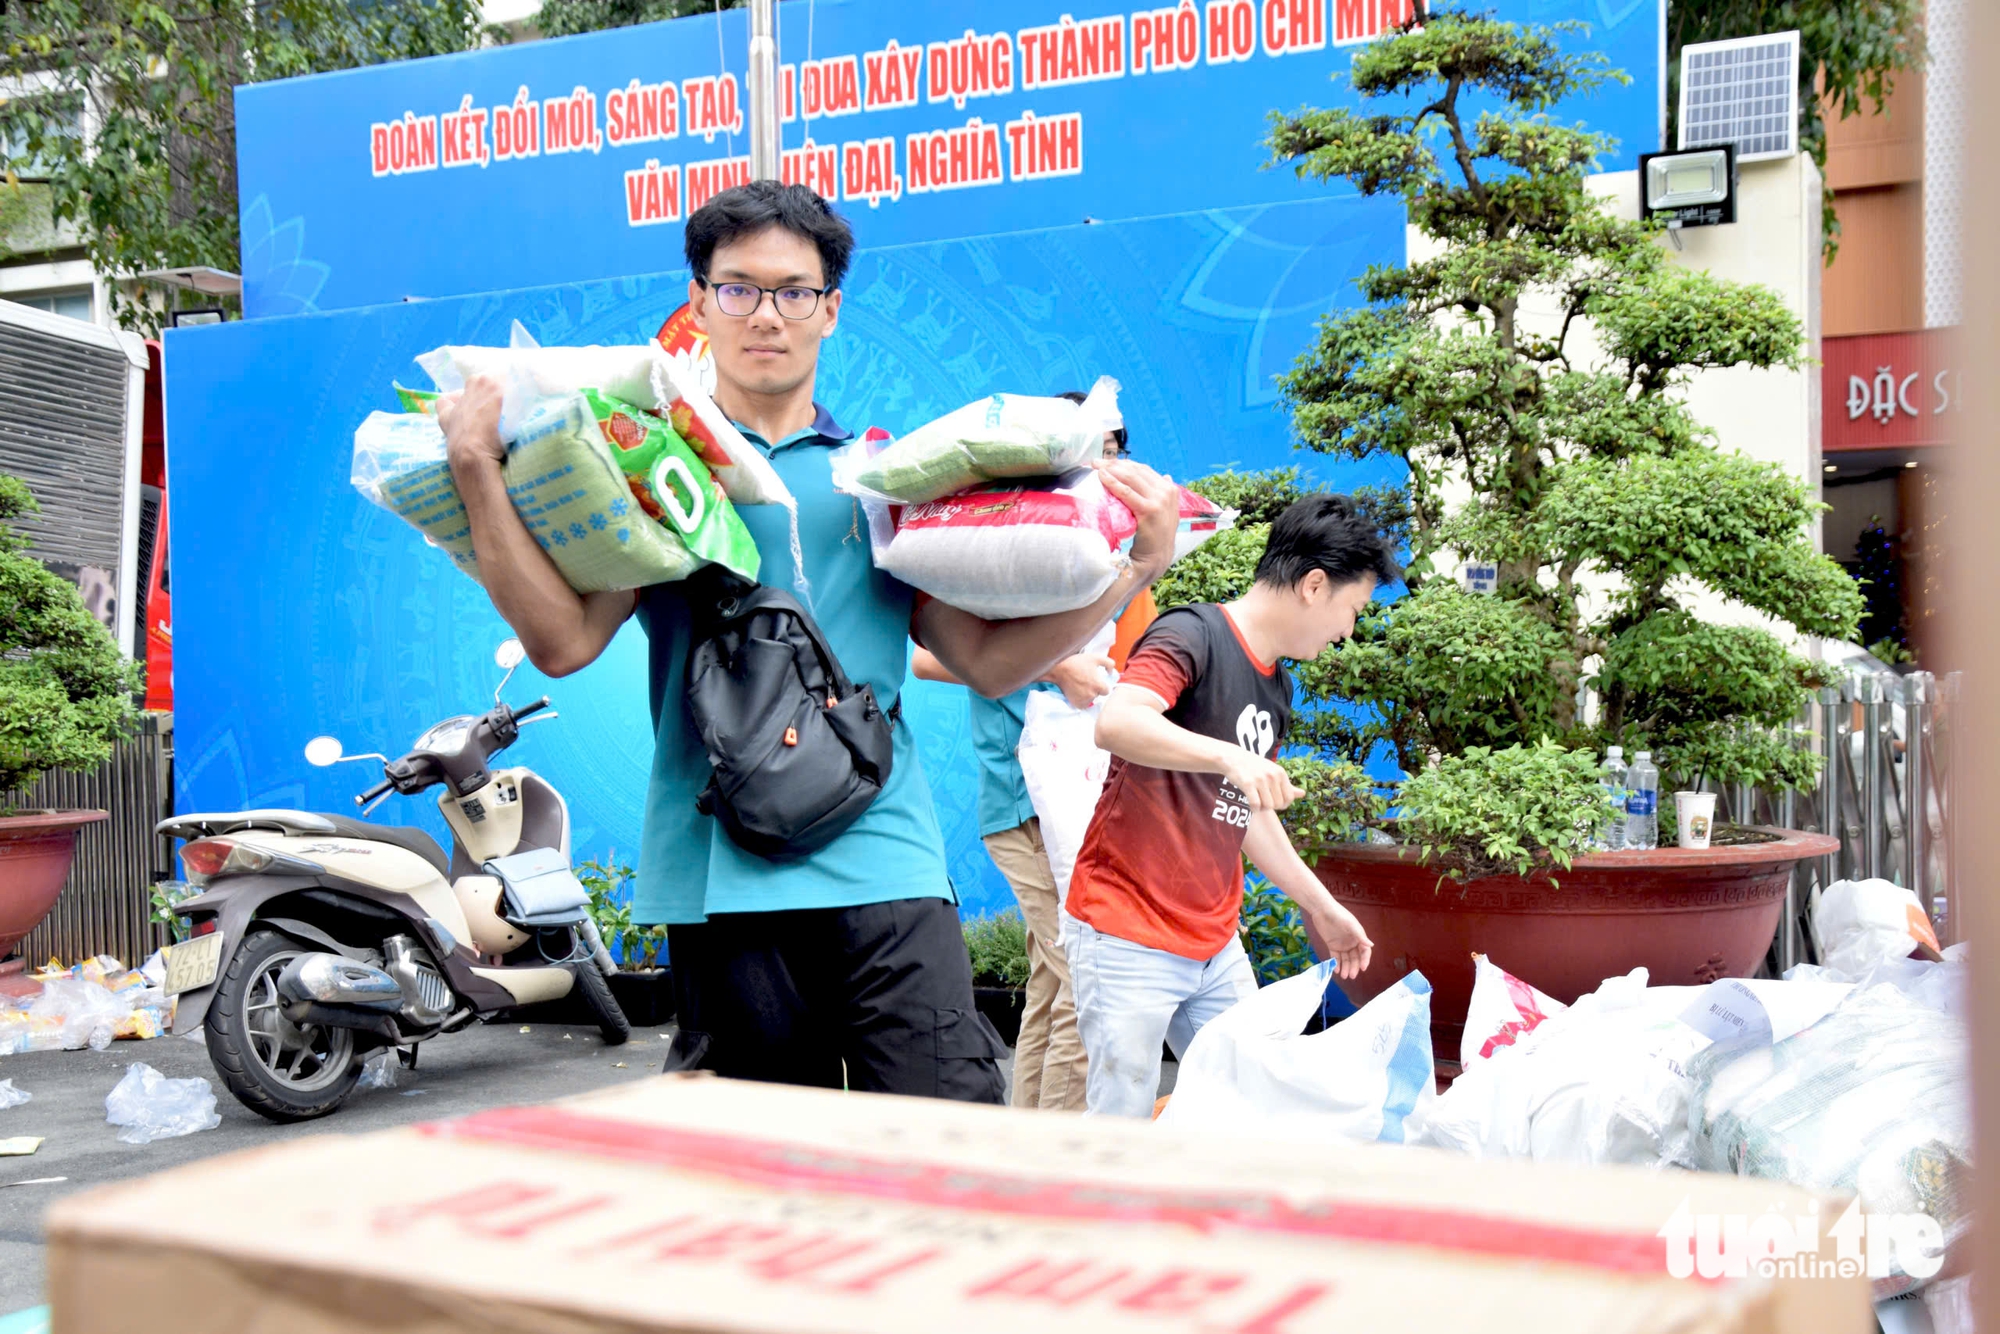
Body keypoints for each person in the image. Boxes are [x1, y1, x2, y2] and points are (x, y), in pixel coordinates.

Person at [435, 181, 1185, 1102]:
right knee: (769, 1182)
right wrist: (476, 468)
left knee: (948, 1135)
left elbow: (988, 661)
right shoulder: (652, 468)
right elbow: (564, 643)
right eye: (739, 288)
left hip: (888, 859)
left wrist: (1134, 569)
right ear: (701, 303)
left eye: (794, 292)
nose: (766, 315)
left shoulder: (881, 476)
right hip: (721, 874)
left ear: (830, 310)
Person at [1063, 494, 1399, 1117]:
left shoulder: (1275, 684)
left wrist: (1324, 909)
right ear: (1314, 585)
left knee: (1250, 1107)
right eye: (1352, 610)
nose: (1348, 632)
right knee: (1122, 1120)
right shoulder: (1192, 633)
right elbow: (1117, 721)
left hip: (1213, 942)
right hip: (1126, 928)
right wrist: (1230, 758)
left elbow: (1249, 816)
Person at [909, 400, 1153, 1111]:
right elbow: (926, 660)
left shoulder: (1110, 549)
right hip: (1024, 798)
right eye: (1090, 449)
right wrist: (1058, 667)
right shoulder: (1016, 537)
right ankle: (1062, 1155)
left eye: (1115, 447)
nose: (1106, 465)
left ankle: (1023, 1143)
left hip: (1084, 791)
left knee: (1055, 981)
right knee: (1087, 976)